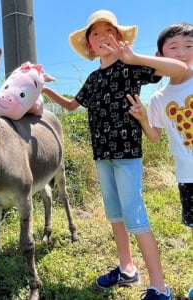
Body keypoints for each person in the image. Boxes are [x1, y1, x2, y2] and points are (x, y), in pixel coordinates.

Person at [42, 9, 188, 300]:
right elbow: (72, 105)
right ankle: (127, 269)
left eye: (109, 31)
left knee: (136, 219)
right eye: (95, 34)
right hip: (102, 155)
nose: (102, 37)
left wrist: (134, 58)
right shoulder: (93, 79)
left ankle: (160, 287)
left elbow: (179, 69)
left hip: (127, 155)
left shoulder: (131, 67)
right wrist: (44, 90)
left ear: (119, 38)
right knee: (116, 216)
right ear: (89, 46)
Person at [127, 21, 193, 300]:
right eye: (174, 47)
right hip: (187, 175)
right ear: (159, 54)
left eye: (189, 47)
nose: (182, 53)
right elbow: (155, 137)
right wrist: (142, 117)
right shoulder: (159, 97)